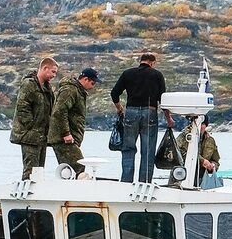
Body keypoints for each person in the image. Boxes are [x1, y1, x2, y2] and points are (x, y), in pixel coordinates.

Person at [110, 52, 175, 184]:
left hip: (131, 112)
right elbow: (163, 100)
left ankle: (126, 182)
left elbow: (114, 93)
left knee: (128, 148)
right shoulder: (157, 75)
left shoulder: (128, 73)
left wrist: (119, 108)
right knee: (148, 150)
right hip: (149, 112)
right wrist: (169, 119)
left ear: (141, 61)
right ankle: (144, 183)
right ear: (152, 63)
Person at [8, 57, 58, 178]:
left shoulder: (47, 88)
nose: (54, 75)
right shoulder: (29, 84)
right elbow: (22, 107)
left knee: (39, 171)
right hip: (29, 136)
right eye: (53, 71)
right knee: (30, 170)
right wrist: (31, 126)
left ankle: (37, 194)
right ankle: (25, 193)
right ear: (45, 68)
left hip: (42, 136)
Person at [49, 67, 99, 177]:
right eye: (93, 82)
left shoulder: (79, 91)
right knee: (78, 167)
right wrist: (66, 133)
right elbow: (59, 111)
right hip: (64, 139)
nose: (93, 86)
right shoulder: (70, 90)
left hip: (70, 138)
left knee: (70, 170)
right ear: (85, 79)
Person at [176, 116, 221, 187]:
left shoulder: (210, 140)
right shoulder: (184, 137)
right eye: (198, 124)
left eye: (202, 124)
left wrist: (212, 166)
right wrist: (202, 161)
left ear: (206, 125)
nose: (200, 126)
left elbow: (216, 160)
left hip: (202, 181)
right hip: (182, 179)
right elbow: (179, 154)